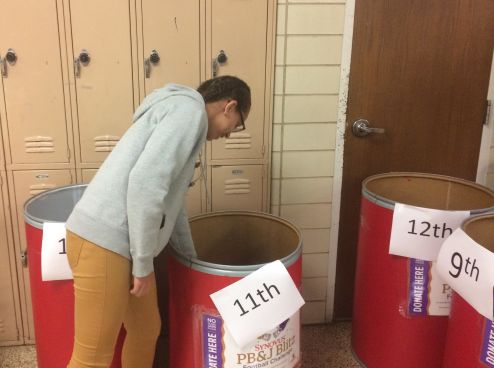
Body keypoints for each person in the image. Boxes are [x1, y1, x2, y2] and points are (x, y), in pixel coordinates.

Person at [65, 75, 251, 368]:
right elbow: (145, 184)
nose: (228, 135)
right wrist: (142, 264)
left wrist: (191, 261)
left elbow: (171, 207)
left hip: (122, 245)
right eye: (236, 126)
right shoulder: (190, 113)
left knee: (145, 330)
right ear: (230, 106)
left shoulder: (182, 114)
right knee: (92, 357)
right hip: (103, 241)